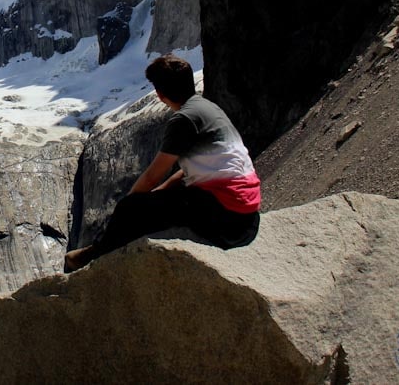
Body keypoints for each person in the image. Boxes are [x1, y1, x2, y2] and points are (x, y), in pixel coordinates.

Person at [64, 54, 261, 272]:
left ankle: (95, 256)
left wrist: (131, 205)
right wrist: (157, 195)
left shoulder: (184, 120)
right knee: (158, 201)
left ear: (159, 94)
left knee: (129, 208)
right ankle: (97, 250)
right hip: (247, 218)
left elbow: (153, 174)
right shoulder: (208, 108)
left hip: (226, 220)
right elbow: (186, 174)